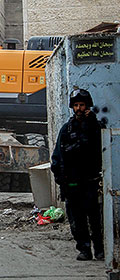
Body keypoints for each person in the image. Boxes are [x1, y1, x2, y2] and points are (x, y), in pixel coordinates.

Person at [51, 88, 104, 261]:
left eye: (82, 105)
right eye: (76, 105)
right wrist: (59, 176)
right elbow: (57, 155)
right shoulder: (67, 129)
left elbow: (102, 148)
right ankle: (84, 249)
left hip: (91, 181)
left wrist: (91, 123)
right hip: (72, 182)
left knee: (95, 219)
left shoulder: (96, 128)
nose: (79, 108)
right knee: (77, 218)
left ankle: (100, 249)